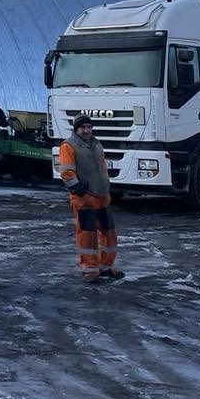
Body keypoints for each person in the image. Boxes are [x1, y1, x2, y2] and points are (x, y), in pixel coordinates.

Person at [57, 115, 123, 283]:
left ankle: (106, 267)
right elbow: (66, 171)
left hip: (102, 196)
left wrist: (106, 186)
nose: (86, 130)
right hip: (84, 198)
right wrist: (77, 187)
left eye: (89, 126)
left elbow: (102, 167)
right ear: (76, 129)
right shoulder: (68, 146)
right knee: (88, 236)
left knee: (110, 234)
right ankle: (90, 270)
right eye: (82, 127)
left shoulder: (96, 144)